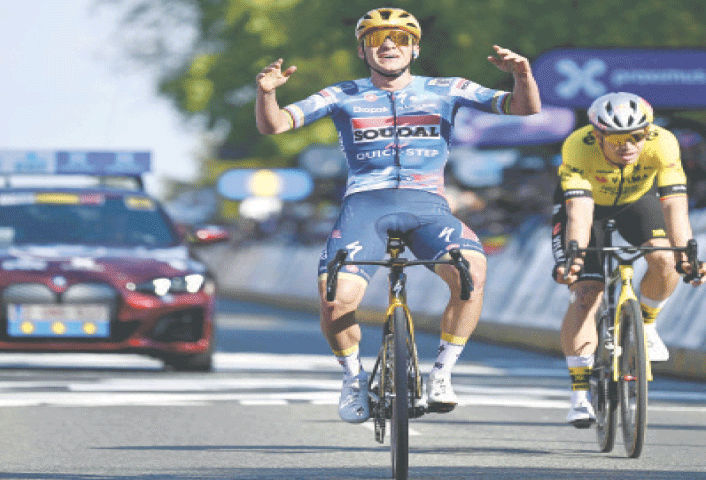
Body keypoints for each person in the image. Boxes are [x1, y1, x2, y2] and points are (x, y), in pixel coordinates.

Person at [256, 7, 541, 423]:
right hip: (365, 206)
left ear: (415, 48)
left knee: (472, 272)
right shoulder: (342, 94)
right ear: (362, 50)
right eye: (376, 39)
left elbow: (522, 108)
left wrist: (522, 75)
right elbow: (276, 126)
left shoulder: (449, 88)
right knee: (334, 300)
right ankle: (353, 381)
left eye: (400, 39)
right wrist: (267, 94)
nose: (389, 45)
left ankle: (442, 374)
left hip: (426, 205)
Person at [551, 91, 706, 428]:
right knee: (586, 292)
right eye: (617, 138)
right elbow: (579, 211)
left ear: (647, 131)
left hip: (638, 201)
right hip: (586, 206)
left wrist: (687, 253)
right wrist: (575, 256)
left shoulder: (663, 143)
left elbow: (674, 205)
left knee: (665, 260)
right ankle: (579, 393)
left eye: (636, 136)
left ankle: (647, 324)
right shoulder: (578, 145)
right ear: (598, 134)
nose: (628, 145)